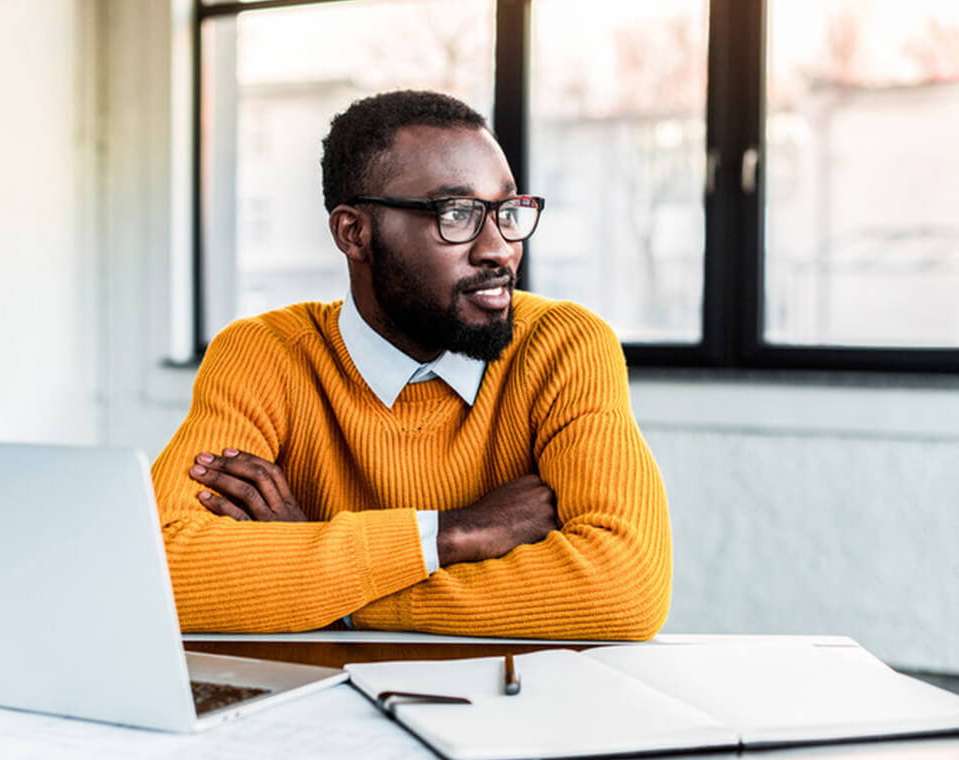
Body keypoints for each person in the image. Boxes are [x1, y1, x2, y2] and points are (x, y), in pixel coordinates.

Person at [151, 90, 671, 639]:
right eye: (458, 213)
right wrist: (452, 534)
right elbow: (157, 566)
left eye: (508, 211)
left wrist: (330, 592)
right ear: (355, 233)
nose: (500, 249)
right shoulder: (266, 354)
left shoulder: (563, 346)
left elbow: (624, 587)